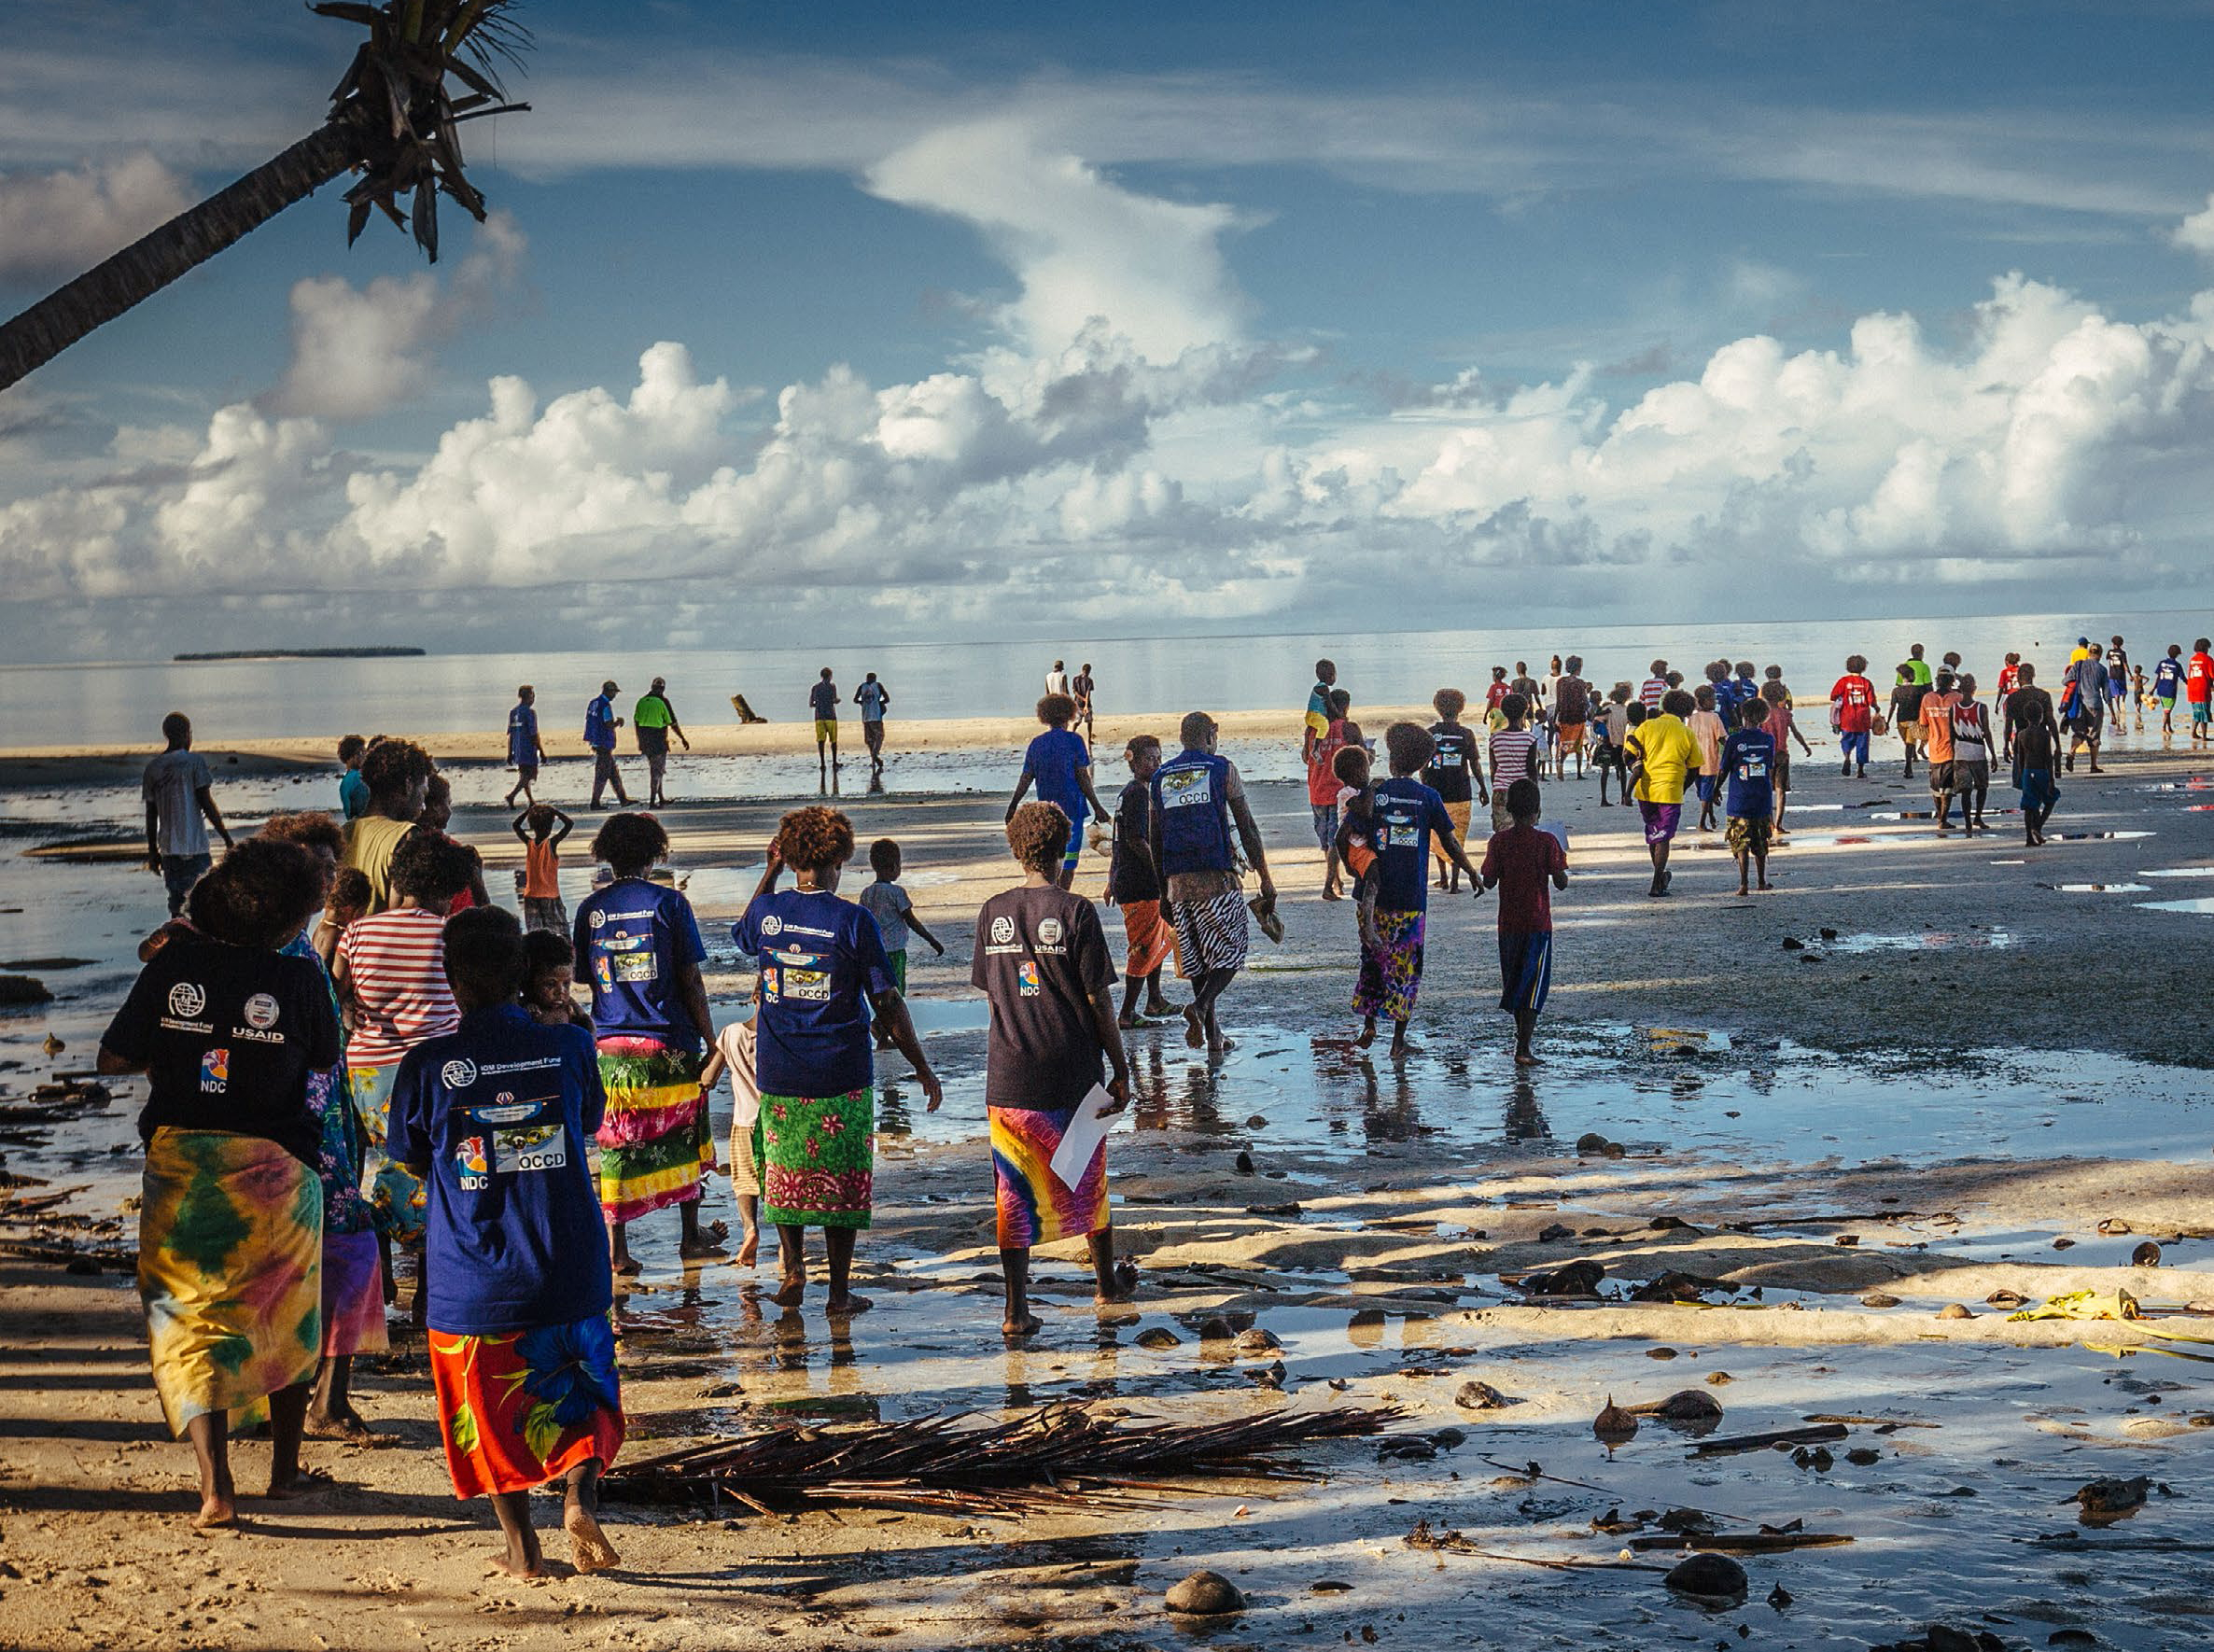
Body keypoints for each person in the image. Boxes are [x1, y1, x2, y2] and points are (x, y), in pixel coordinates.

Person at [96, 836, 340, 1529]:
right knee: (288, 1317)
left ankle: (216, 1488)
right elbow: (325, 1053)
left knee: (188, 1321)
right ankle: (285, 1473)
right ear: (291, 918)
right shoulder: (296, 978)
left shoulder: (176, 962)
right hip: (278, 1171)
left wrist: (182, 1049)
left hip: (184, 1167)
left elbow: (114, 1055)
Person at [389, 905, 623, 1580]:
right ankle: (578, 1494)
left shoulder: (428, 1063)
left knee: (488, 1417)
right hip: (568, 1260)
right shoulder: (574, 1047)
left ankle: (523, 1549)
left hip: (473, 1273)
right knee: (580, 1395)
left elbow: (406, 1153)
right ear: (523, 973)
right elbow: (586, 1122)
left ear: (451, 977)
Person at [734, 806, 942, 1312]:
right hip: (842, 1071)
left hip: (780, 1071)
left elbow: (742, 936)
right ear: (841, 858)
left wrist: (769, 870)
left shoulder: (769, 913)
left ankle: (793, 1267)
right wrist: (920, 1062)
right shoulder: (853, 920)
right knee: (843, 1182)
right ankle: (839, 1291)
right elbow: (886, 1002)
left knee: (784, 1173)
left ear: (789, 856)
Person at [973, 802, 1139, 1338]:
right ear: (1063, 847)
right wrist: (1120, 1067)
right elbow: (1098, 1001)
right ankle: (1106, 1284)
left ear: (1016, 848)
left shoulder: (993, 912)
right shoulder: (1076, 911)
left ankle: (1016, 1310)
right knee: (1089, 1180)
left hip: (1010, 1074)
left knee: (1014, 1190)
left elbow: (995, 995)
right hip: (1072, 1072)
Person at [258, 812, 385, 1443]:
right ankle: (323, 1403)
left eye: (330, 869)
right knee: (347, 1249)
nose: (329, 881)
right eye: (317, 869)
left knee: (293, 1263)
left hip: (319, 1128)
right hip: (301, 1134)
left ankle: (285, 1402)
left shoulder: (294, 942)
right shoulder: (279, 950)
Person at [569, 812, 719, 1274]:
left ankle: (618, 1251)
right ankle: (690, 1236)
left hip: (611, 1046)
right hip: (670, 1042)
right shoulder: (670, 904)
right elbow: (690, 979)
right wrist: (712, 1041)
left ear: (607, 857)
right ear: (656, 854)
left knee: (617, 1145)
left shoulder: (589, 911)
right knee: (684, 1134)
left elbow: (584, 980)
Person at [335, 828, 475, 1305]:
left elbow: (337, 991)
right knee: (434, 1170)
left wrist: (358, 1016)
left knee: (392, 1159)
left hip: (368, 1075)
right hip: (435, 1074)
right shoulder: (449, 934)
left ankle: (386, 1269)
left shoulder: (357, 931)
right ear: (446, 889)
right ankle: (423, 1284)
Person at [1150, 711, 1278, 1061]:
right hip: (1217, 877)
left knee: (1198, 960)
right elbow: (1247, 826)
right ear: (1210, 735)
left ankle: (1214, 1037)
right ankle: (1202, 1005)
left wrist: (1163, 891)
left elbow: (1155, 837)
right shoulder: (1223, 769)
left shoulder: (1160, 777)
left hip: (1177, 880)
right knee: (1233, 951)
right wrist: (1264, 876)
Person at [1356, 722, 1482, 1059]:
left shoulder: (1375, 793)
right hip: (1411, 897)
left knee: (1373, 960)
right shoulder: (1428, 797)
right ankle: (1398, 1041)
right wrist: (1470, 870)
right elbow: (1450, 842)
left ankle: (1369, 1024)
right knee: (1406, 967)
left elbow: (1351, 831)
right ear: (1423, 764)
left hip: (1375, 895)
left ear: (1391, 758)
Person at [1479, 777, 1568, 1065]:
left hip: (1508, 925)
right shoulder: (1547, 841)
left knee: (1516, 981)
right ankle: (1524, 1048)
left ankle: (1520, 1041)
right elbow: (1561, 882)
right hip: (1538, 923)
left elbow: (1490, 881)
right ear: (1537, 812)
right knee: (1534, 984)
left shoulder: (1498, 842)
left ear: (1509, 810)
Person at [1105, 735, 1177, 1027]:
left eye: (1159, 758)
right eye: (1150, 759)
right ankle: (1126, 1013)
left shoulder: (1134, 792)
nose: (1156, 764)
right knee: (1143, 947)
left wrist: (1111, 877)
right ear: (1132, 760)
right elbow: (1135, 841)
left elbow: (1116, 841)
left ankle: (1155, 999)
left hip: (1132, 879)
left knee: (1158, 938)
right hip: (1139, 883)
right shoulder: (1136, 794)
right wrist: (1160, 871)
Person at [1005, 693, 1107, 892]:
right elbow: (1083, 777)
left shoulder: (1037, 743)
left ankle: (1052, 895)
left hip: (1049, 813)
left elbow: (1026, 778)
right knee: (1069, 861)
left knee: (1052, 857)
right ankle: (1063, 895)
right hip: (1073, 810)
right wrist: (1097, 806)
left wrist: (1013, 805)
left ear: (1044, 717)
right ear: (1069, 715)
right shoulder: (1075, 741)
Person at [143, 712, 231, 918]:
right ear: (186, 734)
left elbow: (151, 815)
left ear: (166, 734)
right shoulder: (194, 762)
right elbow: (206, 803)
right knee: (205, 905)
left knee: (177, 906)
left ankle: (178, 947)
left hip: (169, 850)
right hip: (196, 847)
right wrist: (226, 837)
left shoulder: (153, 768)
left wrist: (152, 852)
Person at [858, 837, 945, 1045]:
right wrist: (932, 941)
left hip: (874, 953)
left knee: (881, 994)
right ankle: (880, 1027)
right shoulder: (897, 893)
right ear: (895, 867)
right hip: (895, 952)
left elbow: (862, 922)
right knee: (896, 994)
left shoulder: (867, 893)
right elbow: (912, 921)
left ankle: (883, 1033)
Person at [697, 1007, 763, 1268]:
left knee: (746, 1184)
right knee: (780, 1188)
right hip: (779, 1122)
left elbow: (709, 1079)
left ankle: (750, 1230)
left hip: (745, 1121)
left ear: (753, 998)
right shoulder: (780, 1034)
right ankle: (788, 1250)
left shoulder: (731, 1033)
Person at [343, 736, 434, 913]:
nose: (423, 806)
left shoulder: (344, 832)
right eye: (423, 793)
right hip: (382, 939)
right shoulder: (407, 835)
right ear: (408, 785)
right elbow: (405, 912)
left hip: (349, 939)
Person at [1626, 689, 1701, 898]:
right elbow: (1695, 767)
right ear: (1686, 712)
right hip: (1670, 789)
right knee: (1663, 838)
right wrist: (1684, 786)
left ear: (1663, 706)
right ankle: (1656, 883)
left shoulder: (1647, 726)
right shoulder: (1686, 733)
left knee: (1654, 833)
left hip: (1646, 789)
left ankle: (1660, 876)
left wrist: (1636, 767)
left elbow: (1629, 752)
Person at [1424, 689, 1483, 892]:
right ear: (1461, 708)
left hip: (1436, 792)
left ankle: (1444, 878)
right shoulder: (1466, 734)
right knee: (1457, 837)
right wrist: (1483, 787)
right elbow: (1475, 764)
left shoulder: (1431, 733)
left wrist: (1425, 789)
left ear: (1437, 708)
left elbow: (1424, 766)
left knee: (1438, 834)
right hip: (1460, 792)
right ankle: (1454, 881)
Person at [1718, 701, 1777, 895]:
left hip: (1739, 799)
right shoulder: (1768, 739)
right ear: (1763, 717)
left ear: (1744, 715)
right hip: (1762, 798)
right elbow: (1769, 767)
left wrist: (1715, 789)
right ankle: (1761, 880)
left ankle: (1743, 883)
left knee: (1740, 841)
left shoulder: (1734, 740)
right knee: (1761, 841)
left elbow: (1724, 769)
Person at [2005, 663, 2062, 846]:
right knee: (2042, 793)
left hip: (2022, 744)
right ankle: (2036, 827)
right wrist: (2058, 744)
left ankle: (2031, 833)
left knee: (2028, 793)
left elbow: (2008, 725)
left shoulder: (2012, 699)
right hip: (2041, 743)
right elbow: (2051, 720)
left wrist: (2006, 746)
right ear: (2033, 675)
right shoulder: (2043, 696)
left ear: (2018, 678)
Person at [1308, 689, 1355, 899]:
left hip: (1317, 789)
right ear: (1345, 707)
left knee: (1326, 840)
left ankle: (1335, 880)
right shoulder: (1349, 728)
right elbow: (1361, 755)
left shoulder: (1313, 730)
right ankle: (1329, 884)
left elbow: (1305, 756)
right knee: (1336, 838)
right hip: (1338, 791)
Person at [418, 775, 490, 911]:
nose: (450, 810)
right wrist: (478, 879)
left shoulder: (406, 844)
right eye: (448, 803)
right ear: (436, 807)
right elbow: (482, 908)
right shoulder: (453, 851)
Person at [511, 804, 573, 934]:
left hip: (530, 895)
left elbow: (516, 825)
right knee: (558, 931)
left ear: (532, 826)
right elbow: (569, 824)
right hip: (550, 895)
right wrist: (555, 812)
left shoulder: (530, 844)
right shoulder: (551, 843)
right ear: (550, 825)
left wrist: (528, 811)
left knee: (535, 932)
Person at [1761, 680, 1812, 836]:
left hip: (1765, 756)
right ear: (1781, 696)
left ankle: (1769, 823)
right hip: (1782, 755)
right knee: (1780, 790)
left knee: (1766, 791)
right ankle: (1778, 824)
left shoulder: (1762, 715)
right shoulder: (1785, 714)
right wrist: (1805, 746)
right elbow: (1795, 733)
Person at [1946, 675, 1994, 835]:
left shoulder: (1953, 709)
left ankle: (1968, 822)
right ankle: (1978, 817)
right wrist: (1993, 753)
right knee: (1982, 787)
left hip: (1960, 753)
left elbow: (1951, 733)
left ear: (1961, 689)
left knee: (1965, 790)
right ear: (1974, 689)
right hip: (1978, 752)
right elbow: (1986, 732)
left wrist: (1952, 753)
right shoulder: (1981, 708)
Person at [1487, 694, 1541, 835]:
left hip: (1501, 788)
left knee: (1502, 833)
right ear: (1524, 712)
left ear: (1503, 712)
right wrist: (1536, 796)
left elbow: (1493, 769)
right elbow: (1531, 770)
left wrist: (1495, 787)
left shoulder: (1495, 738)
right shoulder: (1529, 738)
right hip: (1523, 790)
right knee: (1525, 832)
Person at [634, 677, 689, 809]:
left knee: (656, 768)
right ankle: (653, 801)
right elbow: (672, 723)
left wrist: (639, 740)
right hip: (658, 739)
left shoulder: (641, 702)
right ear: (663, 689)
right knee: (657, 771)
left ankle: (661, 797)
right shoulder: (663, 702)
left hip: (645, 740)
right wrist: (682, 738)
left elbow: (636, 722)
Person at [523, 928, 592, 1031]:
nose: (560, 991)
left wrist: (590, 1038)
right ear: (528, 981)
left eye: (566, 984)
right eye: (550, 984)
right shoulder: (525, 1008)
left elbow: (587, 1021)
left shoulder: (569, 1004)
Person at [1920, 670, 1961, 832]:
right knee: (1947, 787)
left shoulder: (1927, 698)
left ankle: (1940, 816)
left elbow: (1923, 723)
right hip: (1951, 748)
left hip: (1934, 748)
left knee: (1936, 787)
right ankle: (1943, 819)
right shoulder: (1957, 698)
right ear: (1952, 680)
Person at [584, 680, 631, 809]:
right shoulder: (605, 705)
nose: (614, 695)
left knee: (613, 774)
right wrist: (618, 723)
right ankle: (595, 802)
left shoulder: (593, 703)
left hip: (595, 739)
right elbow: (608, 724)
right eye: (613, 692)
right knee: (602, 774)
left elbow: (590, 720)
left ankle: (623, 799)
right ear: (608, 691)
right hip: (603, 742)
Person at [1830, 656, 1878, 778]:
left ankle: (1847, 757)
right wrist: (1877, 708)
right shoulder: (1866, 683)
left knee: (1847, 740)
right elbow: (1871, 700)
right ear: (1863, 667)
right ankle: (1860, 770)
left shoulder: (1843, 681)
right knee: (1862, 744)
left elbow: (1833, 695)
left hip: (1847, 717)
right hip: (1863, 718)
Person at [1688, 684, 1727, 833]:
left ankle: (1710, 817)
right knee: (1706, 793)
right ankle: (1702, 822)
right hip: (1710, 761)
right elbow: (1723, 738)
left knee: (1703, 793)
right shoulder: (1714, 717)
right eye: (1712, 699)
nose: (1715, 702)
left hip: (1695, 761)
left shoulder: (1692, 718)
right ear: (1704, 701)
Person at [2064, 646, 2107, 775]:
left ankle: (2071, 752)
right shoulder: (2102, 669)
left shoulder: (2078, 665)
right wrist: (2113, 711)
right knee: (2094, 735)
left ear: (2089, 653)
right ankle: (2093, 766)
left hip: (2079, 705)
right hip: (2095, 704)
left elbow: (2065, 681)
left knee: (2079, 732)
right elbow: (2107, 692)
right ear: (2100, 654)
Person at [503, 686, 544, 808]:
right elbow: (533, 734)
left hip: (517, 748)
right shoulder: (530, 713)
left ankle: (531, 800)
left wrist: (510, 752)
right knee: (530, 774)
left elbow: (511, 735)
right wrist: (541, 751)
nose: (534, 698)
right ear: (528, 696)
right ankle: (512, 795)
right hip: (528, 748)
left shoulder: (513, 712)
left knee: (524, 774)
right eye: (532, 695)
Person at [1551, 657, 1591, 779]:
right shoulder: (1580, 683)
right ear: (1578, 668)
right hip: (1578, 717)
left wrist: (1555, 718)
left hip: (1565, 716)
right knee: (1579, 744)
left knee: (1565, 743)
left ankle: (1560, 766)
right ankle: (1579, 773)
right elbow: (1584, 701)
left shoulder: (1560, 682)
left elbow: (1559, 701)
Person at [1592, 686, 1632, 806]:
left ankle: (1603, 799)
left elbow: (1596, 721)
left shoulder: (1608, 709)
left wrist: (1605, 731)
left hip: (1607, 743)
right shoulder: (1626, 710)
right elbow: (1632, 724)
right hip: (1621, 743)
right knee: (1622, 770)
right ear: (1626, 697)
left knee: (1605, 771)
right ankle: (1624, 797)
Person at [1889, 665, 1928, 780]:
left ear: (1902, 677)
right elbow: (1924, 706)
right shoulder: (1919, 690)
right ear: (1911, 676)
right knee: (1910, 744)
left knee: (1908, 744)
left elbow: (1892, 707)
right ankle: (1908, 767)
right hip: (1914, 720)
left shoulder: (1896, 691)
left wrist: (1887, 721)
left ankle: (1912, 759)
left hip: (1900, 720)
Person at [1303, 659, 1339, 762]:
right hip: (1315, 716)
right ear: (1330, 676)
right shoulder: (1324, 688)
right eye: (1334, 675)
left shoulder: (1318, 687)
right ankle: (1315, 749)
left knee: (1322, 724)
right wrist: (1339, 715)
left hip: (1311, 716)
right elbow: (1330, 705)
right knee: (1324, 726)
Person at [809, 667, 841, 786]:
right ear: (830, 676)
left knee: (821, 741)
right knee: (833, 741)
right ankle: (834, 762)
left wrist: (819, 703)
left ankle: (822, 763)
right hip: (830, 716)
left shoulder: (815, 687)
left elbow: (811, 703)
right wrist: (836, 701)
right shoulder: (832, 686)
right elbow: (834, 699)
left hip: (819, 716)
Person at [855, 671, 890, 777]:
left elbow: (855, 699)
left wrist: (863, 703)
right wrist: (879, 703)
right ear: (875, 679)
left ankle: (874, 758)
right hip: (876, 716)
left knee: (869, 739)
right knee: (879, 736)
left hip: (866, 717)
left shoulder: (862, 686)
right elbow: (887, 699)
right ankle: (875, 755)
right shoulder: (878, 686)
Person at [337, 735, 370, 821]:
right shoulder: (358, 777)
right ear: (351, 756)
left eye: (365, 752)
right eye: (360, 753)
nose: (364, 756)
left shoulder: (345, 780)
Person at [2155, 644, 2185, 737]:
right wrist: (2191, 683)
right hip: (2170, 691)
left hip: (2161, 690)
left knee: (2166, 710)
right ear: (2177, 654)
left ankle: (2169, 727)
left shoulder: (2162, 663)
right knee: (2167, 711)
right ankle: (2164, 727)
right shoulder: (2177, 665)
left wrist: (2153, 689)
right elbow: (2183, 678)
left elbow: (2158, 677)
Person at [2190, 638, 2214, 747]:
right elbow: (2212, 675)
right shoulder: (2208, 659)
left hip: (2192, 689)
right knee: (2204, 713)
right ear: (2205, 648)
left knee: (2196, 712)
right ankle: (2204, 735)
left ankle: (2193, 732)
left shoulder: (2192, 659)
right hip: (2202, 689)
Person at [2106, 636, 2130, 736]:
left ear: (2113, 644)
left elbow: (2108, 659)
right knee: (2123, 689)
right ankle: (2123, 702)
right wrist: (2130, 674)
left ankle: (2117, 706)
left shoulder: (2110, 652)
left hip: (2112, 674)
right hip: (2120, 674)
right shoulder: (2122, 653)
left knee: (2115, 692)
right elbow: (2125, 664)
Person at [1072, 663, 1096, 743]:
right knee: (1088, 722)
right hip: (1084, 704)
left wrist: (1082, 699)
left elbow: (1075, 692)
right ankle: (1089, 739)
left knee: (1078, 721)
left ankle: (1073, 734)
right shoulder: (1089, 680)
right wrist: (1085, 702)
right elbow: (1088, 693)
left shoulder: (1075, 679)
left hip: (1078, 703)